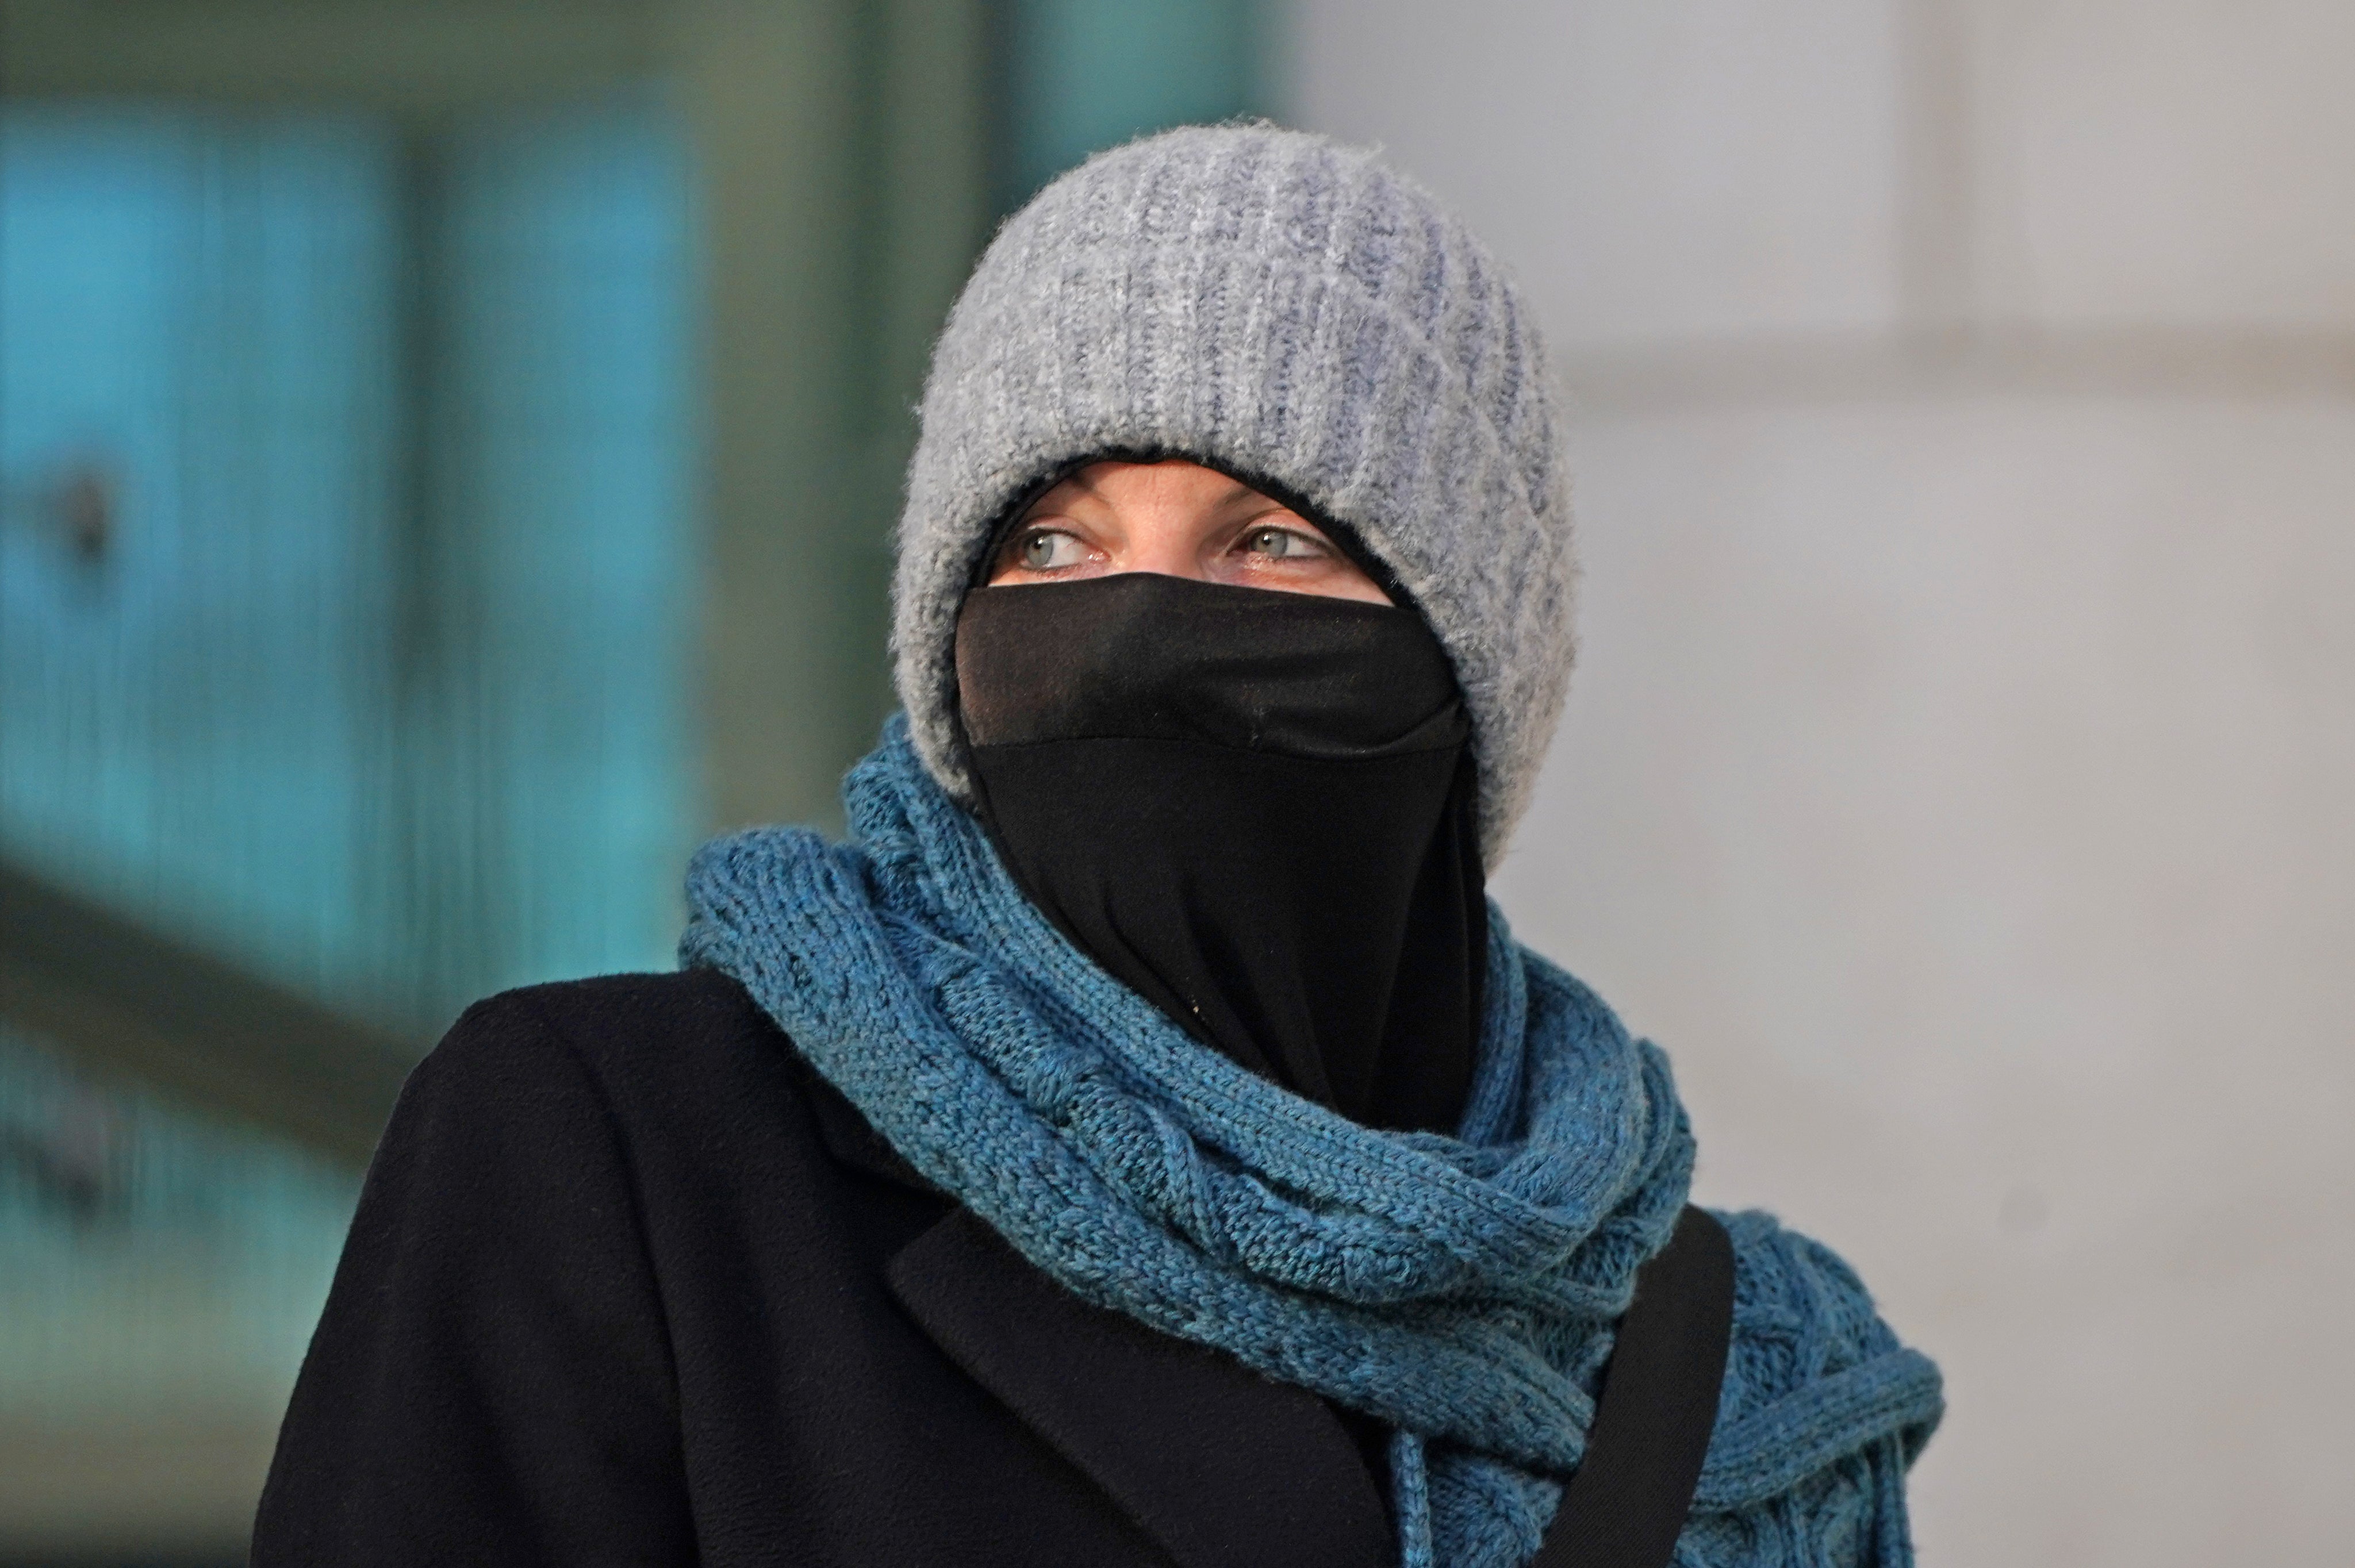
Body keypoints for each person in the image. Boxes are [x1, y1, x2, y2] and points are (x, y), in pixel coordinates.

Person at [253, 124, 1941, 1568]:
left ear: (1464, 660)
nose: (1134, 629)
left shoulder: (1741, 1371)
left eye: (1270, 538)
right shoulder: (627, 1159)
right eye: (1051, 538)